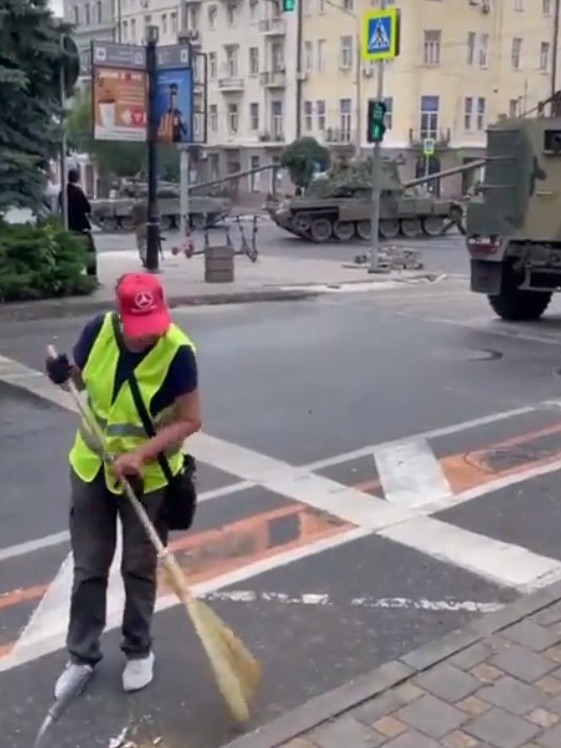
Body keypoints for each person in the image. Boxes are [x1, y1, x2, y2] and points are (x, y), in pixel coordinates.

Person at [45, 273, 201, 697]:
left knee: (138, 565)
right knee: (89, 566)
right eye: (140, 328)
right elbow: (78, 381)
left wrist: (140, 456)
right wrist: (60, 373)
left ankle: (138, 650)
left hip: (147, 477)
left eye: (155, 326)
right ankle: (81, 656)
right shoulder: (99, 331)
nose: (149, 336)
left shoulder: (178, 351)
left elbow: (191, 419)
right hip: (92, 467)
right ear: (120, 313)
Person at [59, 169, 97, 277]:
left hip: (67, 225)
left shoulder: (63, 192)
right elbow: (87, 208)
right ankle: (91, 275)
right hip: (81, 226)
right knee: (90, 251)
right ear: (77, 178)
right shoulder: (78, 192)